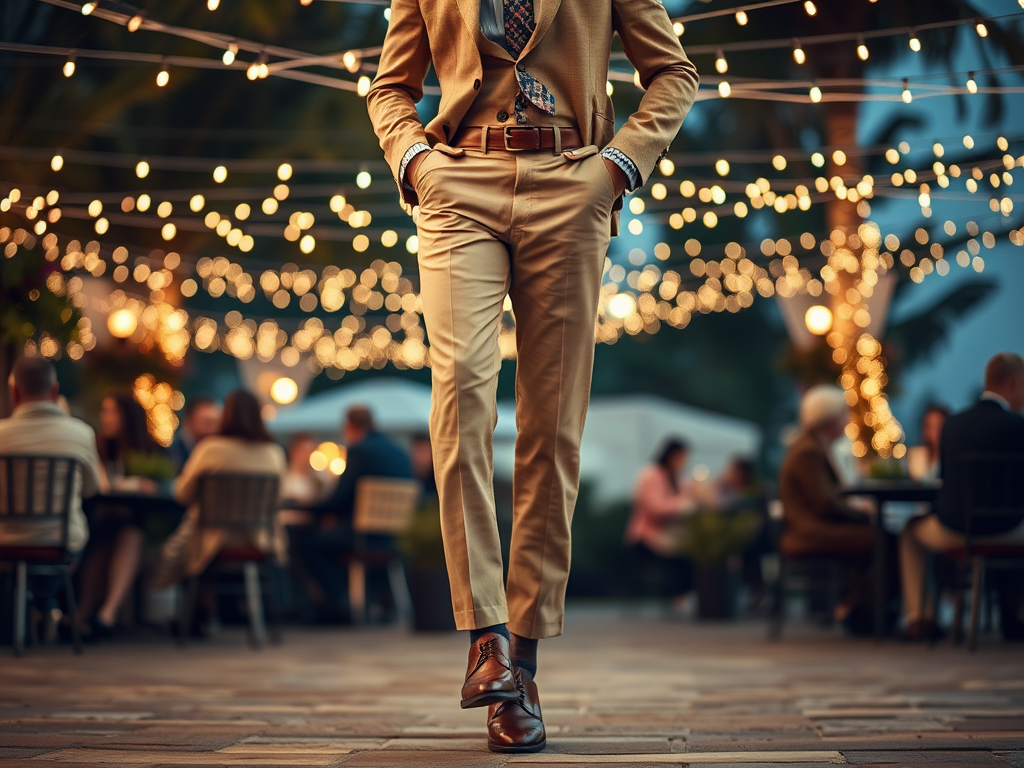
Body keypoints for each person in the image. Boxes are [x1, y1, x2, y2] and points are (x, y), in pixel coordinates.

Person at [367, 0, 698, 752]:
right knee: (458, 393)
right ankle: (486, 640)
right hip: (458, 184)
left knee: (552, 427)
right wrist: (413, 159)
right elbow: (390, 87)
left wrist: (619, 165)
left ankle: (526, 664)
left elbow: (674, 74)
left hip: (572, 179)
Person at [899, 353, 1024, 642]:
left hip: (957, 531)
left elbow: (945, 482)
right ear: (1015, 384)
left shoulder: (953, 425)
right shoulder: (1018, 428)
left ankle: (921, 619)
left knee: (910, 533)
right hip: (1010, 532)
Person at [0, 357, 105, 633]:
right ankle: (46, 606)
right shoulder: (81, 434)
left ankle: (35, 610)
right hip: (60, 543)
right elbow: (92, 490)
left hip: (4, 540)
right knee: (90, 532)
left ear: (15, 393)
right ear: (55, 391)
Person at [151, 389, 287, 590]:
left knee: (164, 552)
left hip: (209, 540)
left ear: (226, 415)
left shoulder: (211, 448)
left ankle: (193, 610)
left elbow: (182, 494)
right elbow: (277, 501)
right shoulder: (274, 453)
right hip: (258, 540)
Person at [779, 385, 885, 634]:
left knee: (876, 539)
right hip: (809, 533)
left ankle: (859, 608)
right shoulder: (808, 451)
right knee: (881, 541)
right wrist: (862, 516)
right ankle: (859, 610)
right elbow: (825, 502)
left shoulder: (811, 447)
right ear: (828, 420)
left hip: (811, 528)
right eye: (842, 414)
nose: (846, 420)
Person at [293, 406, 414, 622]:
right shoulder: (400, 452)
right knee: (328, 540)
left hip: (362, 537)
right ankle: (364, 602)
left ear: (350, 425)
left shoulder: (359, 450)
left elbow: (340, 498)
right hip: (393, 538)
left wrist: (306, 506)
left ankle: (339, 604)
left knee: (307, 542)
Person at [76, 391, 169, 638]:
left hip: (136, 525)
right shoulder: (96, 447)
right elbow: (96, 488)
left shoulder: (148, 450)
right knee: (115, 533)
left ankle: (99, 614)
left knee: (128, 531)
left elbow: (165, 488)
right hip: (94, 522)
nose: (105, 417)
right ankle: (96, 615)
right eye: (104, 411)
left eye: (111, 411)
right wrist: (135, 484)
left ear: (128, 416)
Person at [625, 438, 697, 602]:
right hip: (646, 537)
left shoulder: (677, 478)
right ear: (672, 456)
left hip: (668, 535)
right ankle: (682, 596)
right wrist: (684, 503)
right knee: (689, 551)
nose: (685, 462)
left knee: (698, 548)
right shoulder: (650, 475)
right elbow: (656, 509)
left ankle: (688, 595)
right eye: (682, 457)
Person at [168, 395, 222, 472]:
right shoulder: (171, 453)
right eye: (207, 422)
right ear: (189, 421)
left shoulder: (218, 451)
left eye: (217, 423)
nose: (213, 429)